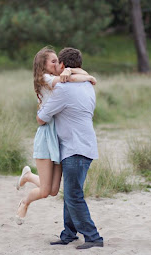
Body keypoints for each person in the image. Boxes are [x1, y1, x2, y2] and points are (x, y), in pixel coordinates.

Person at [15, 46, 96, 225]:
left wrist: (74, 72)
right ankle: (25, 202)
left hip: (58, 136)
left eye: (57, 61)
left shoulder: (61, 78)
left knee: (53, 190)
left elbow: (72, 80)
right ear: (43, 66)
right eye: (53, 61)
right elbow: (67, 81)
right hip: (46, 134)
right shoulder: (45, 78)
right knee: (45, 191)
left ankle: (28, 176)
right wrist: (84, 75)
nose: (57, 64)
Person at [36, 47, 104, 250]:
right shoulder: (88, 85)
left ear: (64, 66)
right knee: (71, 192)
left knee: (73, 195)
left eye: (58, 63)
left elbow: (41, 118)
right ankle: (68, 234)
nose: (56, 67)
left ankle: (93, 237)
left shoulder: (63, 90)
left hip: (74, 148)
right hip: (86, 146)